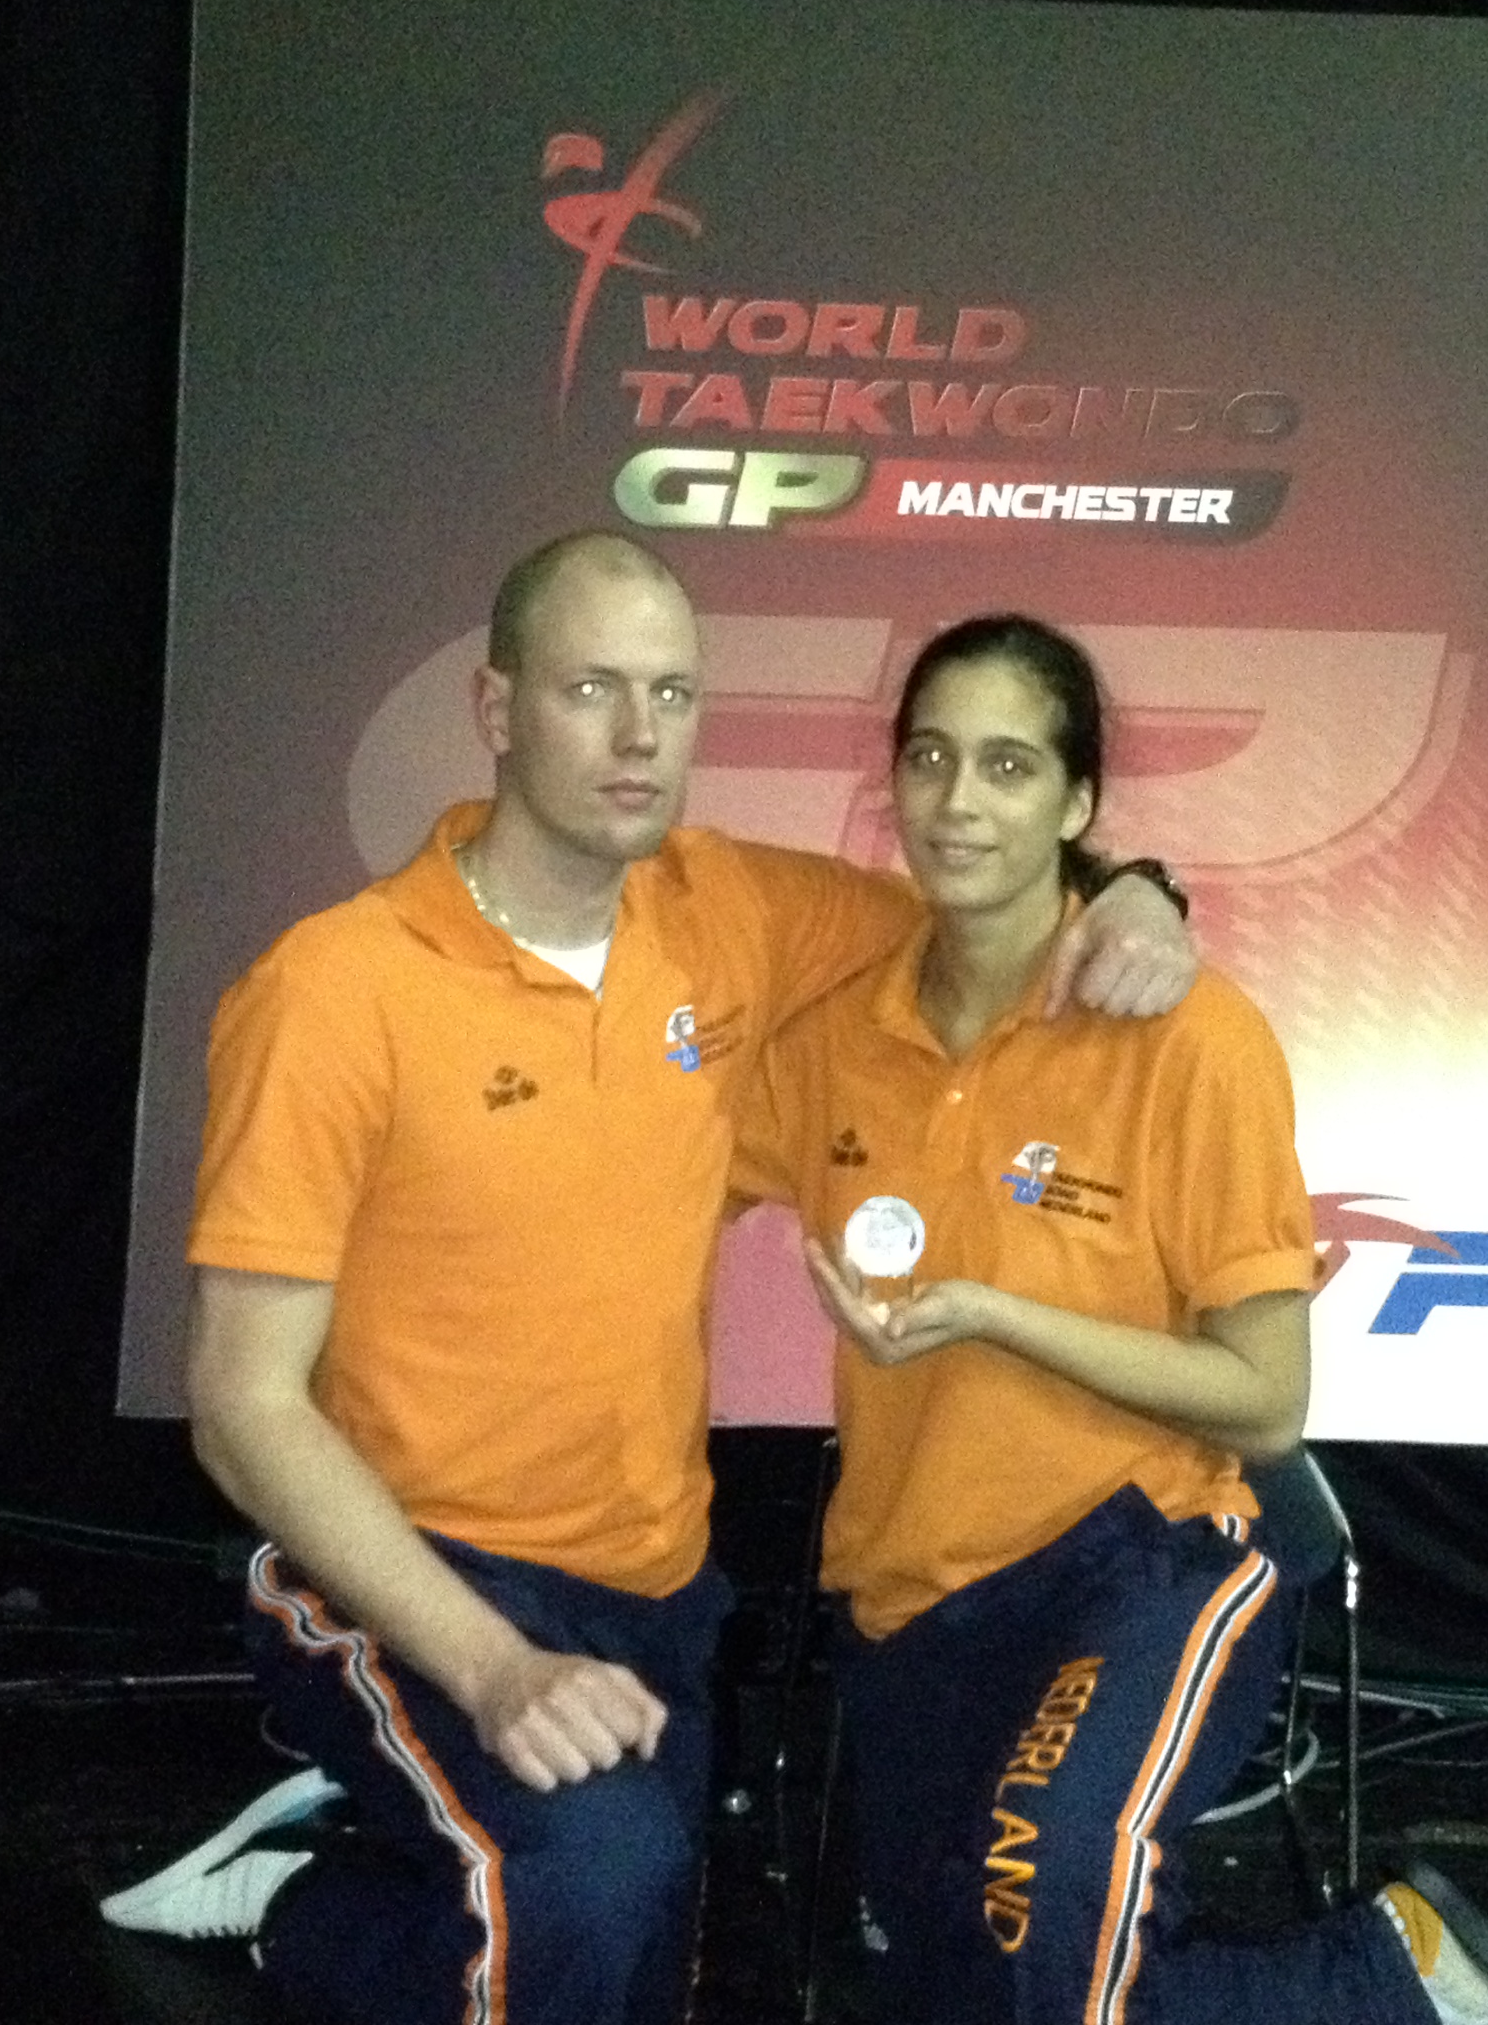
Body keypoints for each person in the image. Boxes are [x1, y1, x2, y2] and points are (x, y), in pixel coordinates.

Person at [99, 534, 1196, 2025]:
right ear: (498, 709)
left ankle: (335, 1883)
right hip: (413, 1571)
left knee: (631, 1953)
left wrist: (1137, 892)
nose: (638, 736)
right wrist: (493, 1669)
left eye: (672, 694)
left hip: (654, 1587)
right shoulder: (334, 991)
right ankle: (381, 1855)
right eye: (591, 689)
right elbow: (242, 1405)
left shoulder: (723, 910)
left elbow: (986, 902)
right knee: (587, 1892)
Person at [735, 613, 1488, 2025]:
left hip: (1142, 1556)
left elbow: (1265, 1399)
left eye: (1010, 766)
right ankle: (1394, 1976)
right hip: (911, 1597)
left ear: (1078, 802)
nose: (960, 802)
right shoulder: (838, 1034)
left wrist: (996, 1313)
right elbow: (650, 1190)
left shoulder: (1192, 1039)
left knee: (1047, 1910)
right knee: (1004, 1995)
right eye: (931, 759)